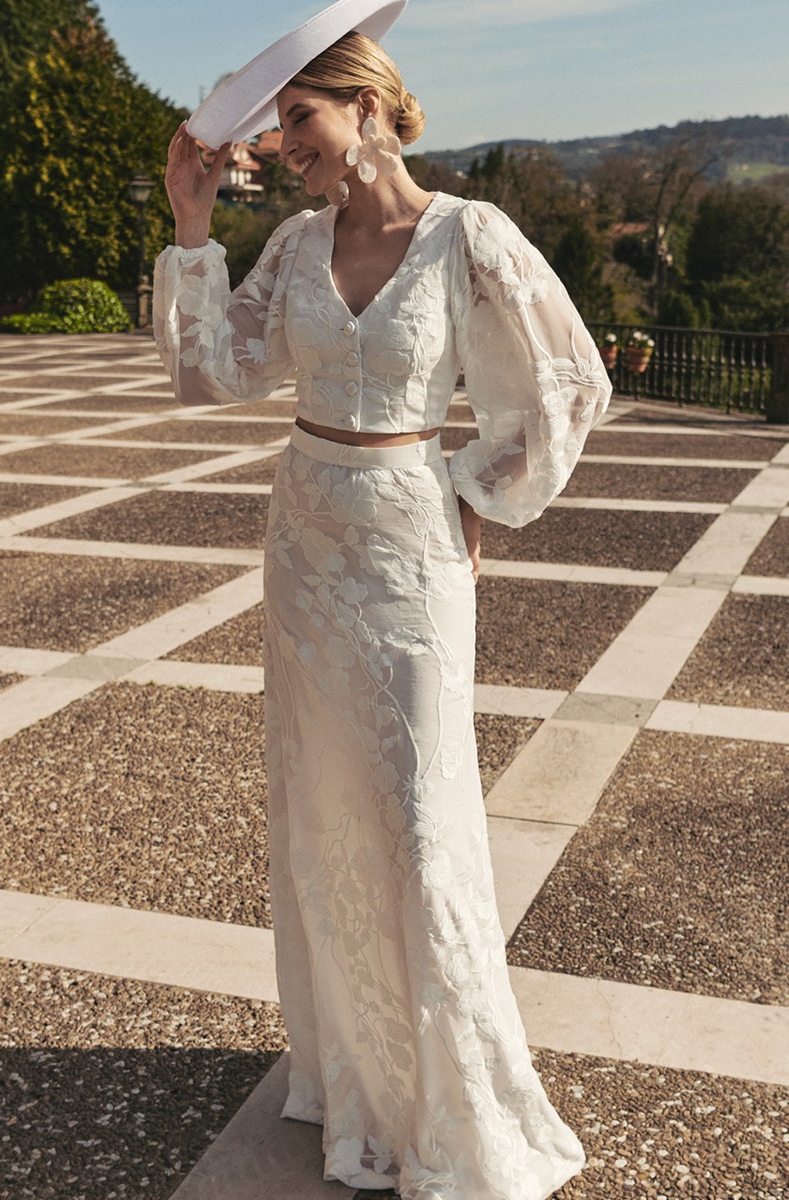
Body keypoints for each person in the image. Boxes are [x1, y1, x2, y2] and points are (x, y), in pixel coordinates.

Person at [154, 17, 612, 1199]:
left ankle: (450, 1107)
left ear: (363, 105)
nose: (282, 147)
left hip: (408, 548)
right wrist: (191, 225)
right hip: (304, 539)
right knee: (323, 807)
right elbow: (216, 371)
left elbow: (569, 380)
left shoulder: (467, 235)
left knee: (418, 817)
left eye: (296, 120)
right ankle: (353, 1078)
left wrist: (473, 492)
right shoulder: (298, 246)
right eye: (273, 126)